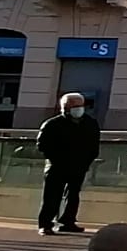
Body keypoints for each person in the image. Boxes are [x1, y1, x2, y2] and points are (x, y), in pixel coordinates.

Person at [36, 92, 100, 235]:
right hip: (56, 166)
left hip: (78, 166)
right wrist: (56, 159)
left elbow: (93, 146)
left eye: (80, 106)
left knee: (73, 195)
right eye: (73, 106)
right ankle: (45, 224)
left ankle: (68, 221)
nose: (78, 109)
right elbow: (42, 145)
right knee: (52, 195)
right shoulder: (52, 124)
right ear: (64, 108)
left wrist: (86, 162)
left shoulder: (90, 123)